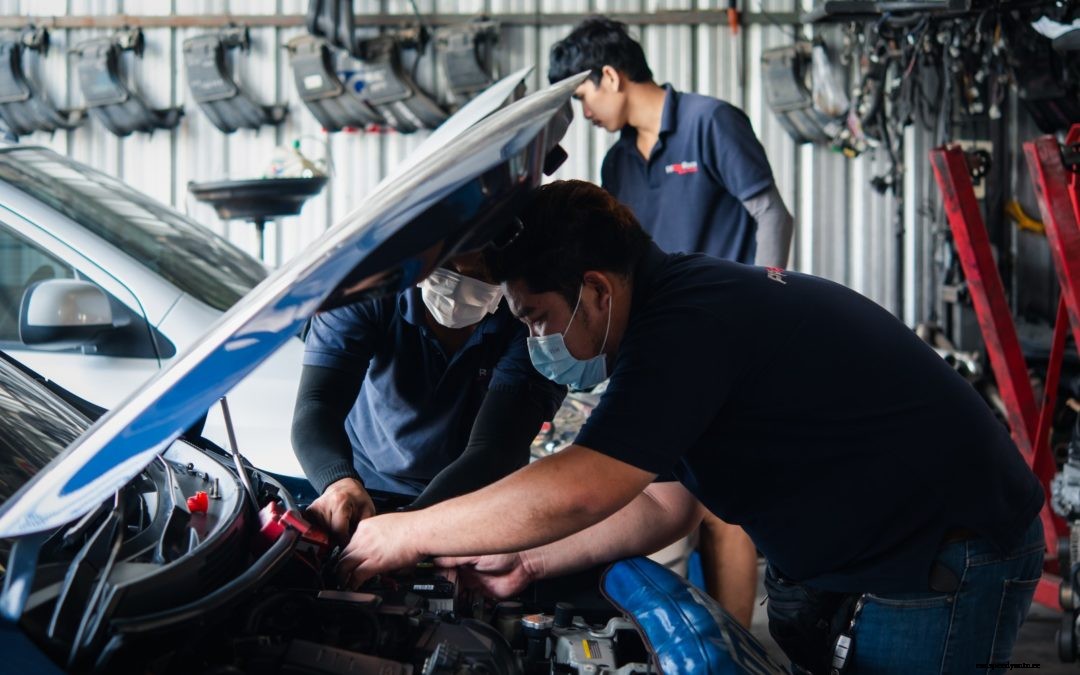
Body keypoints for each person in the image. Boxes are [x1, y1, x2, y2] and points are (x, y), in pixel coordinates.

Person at [336, 181, 1045, 674]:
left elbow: (585, 485)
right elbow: (659, 504)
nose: (535, 341)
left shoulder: (687, 327)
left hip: (939, 553)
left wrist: (407, 529)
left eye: (537, 319)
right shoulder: (672, 316)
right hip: (876, 553)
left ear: (595, 291)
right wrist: (529, 563)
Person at [548, 16, 796, 625]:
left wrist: (763, 302)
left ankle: (737, 646)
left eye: (581, 97)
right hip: (660, 346)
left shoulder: (712, 122)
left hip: (731, 338)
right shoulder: (616, 165)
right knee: (662, 489)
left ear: (611, 75)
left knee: (724, 501)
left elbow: (771, 213)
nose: (583, 113)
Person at [291, 251, 565, 544]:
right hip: (365, 485)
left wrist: (413, 524)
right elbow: (318, 403)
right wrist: (337, 482)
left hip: (478, 495)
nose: (461, 273)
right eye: (450, 264)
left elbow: (496, 448)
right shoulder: (368, 288)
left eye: (480, 272)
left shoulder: (530, 317)